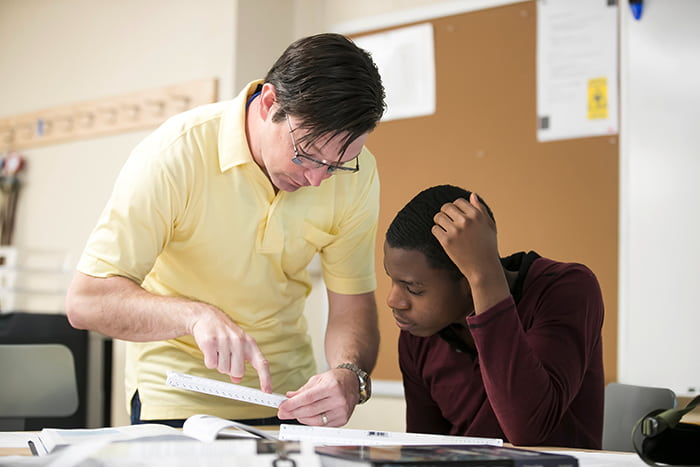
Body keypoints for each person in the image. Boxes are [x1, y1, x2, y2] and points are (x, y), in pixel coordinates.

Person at [65, 33, 386, 428]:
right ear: (270, 104)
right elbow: (86, 302)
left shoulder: (359, 175)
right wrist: (194, 317)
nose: (319, 179)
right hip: (177, 398)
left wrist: (349, 375)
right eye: (307, 155)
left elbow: (352, 307)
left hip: (288, 398)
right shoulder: (175, 154)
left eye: (337, 165)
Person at [383, 184, 604, 449]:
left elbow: (527, 429)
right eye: (392, 281)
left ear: (469, 277)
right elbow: (423, 450)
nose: (393, 300)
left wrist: (484, 274)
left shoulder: (567, 289)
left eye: (413, 289)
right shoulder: (420, 331)